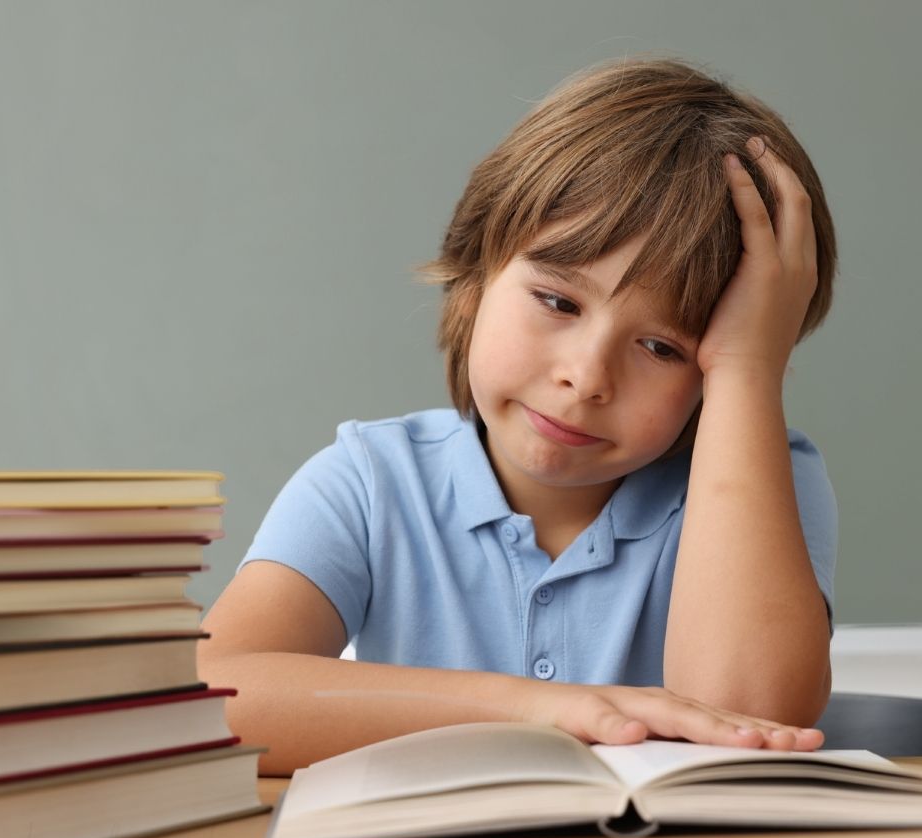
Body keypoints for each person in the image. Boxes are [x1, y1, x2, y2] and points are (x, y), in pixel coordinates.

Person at [199, 56, 839, 776]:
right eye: (559, 302)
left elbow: (743, 717)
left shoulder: (762, 480)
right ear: (474, 277)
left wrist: (750, 372)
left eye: (662, 347)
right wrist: (541, 710)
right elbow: (205, 702)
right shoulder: (372, 482)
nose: (587, 377)